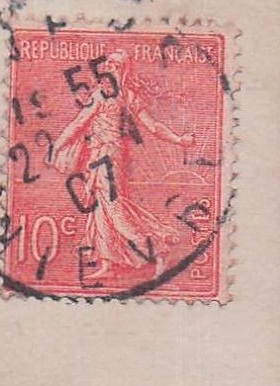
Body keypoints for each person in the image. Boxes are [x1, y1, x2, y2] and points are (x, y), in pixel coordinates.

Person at [47, 48, 198, 281]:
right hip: (100, 157)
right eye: (109, 64)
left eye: (115, 65)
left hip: (108, 157)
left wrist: (179, 139)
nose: (109, 68)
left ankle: (158, 250)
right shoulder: (112, 95)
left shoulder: (115, 96)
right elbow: (81, 124)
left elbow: (152, 126)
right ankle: (108, 264)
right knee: (99, 209)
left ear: (121, 70)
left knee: (114, 209)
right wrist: (59, 144)